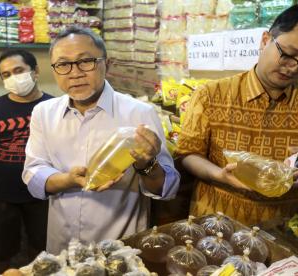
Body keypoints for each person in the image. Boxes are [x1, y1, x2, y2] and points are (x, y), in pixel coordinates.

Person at [176, 4, 298, 225]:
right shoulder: (211, 94)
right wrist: (219, 175)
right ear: (265, 40)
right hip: (216, 220)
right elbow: (188, 154)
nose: (293, 68)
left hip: (283, 225)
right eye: (288, 54)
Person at [22, 26, 180, 254]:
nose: (75, 73)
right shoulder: (43, 113)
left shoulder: (139, 113)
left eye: (86, 61)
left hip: (120, 247)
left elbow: (167, 187)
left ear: (108, 63)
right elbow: (33, 172)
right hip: (63, 245)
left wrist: (147, 165)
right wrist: (69, 180)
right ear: (54, 70)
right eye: (63, 64)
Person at [0, 49, 52, 272]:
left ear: (35, 71)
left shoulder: (53, 107)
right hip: (4, 194)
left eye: (18, 71)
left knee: (42, 248)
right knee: (1, 249)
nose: (12, 78)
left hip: (44, 193)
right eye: (6, 74)